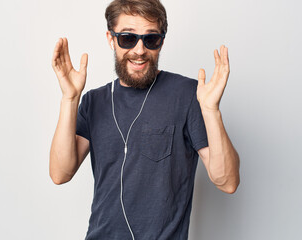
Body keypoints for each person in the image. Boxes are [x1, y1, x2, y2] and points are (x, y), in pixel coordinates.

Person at [49, 0, 240, 239]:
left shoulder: (189, 95)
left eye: (150, 39)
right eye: (128, 38)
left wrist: (211, 110)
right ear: (111, 39)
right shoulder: (93, 101)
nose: (139, 50)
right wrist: (70, 98)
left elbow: (228, 181)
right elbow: (60, 173)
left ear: (161, 42)